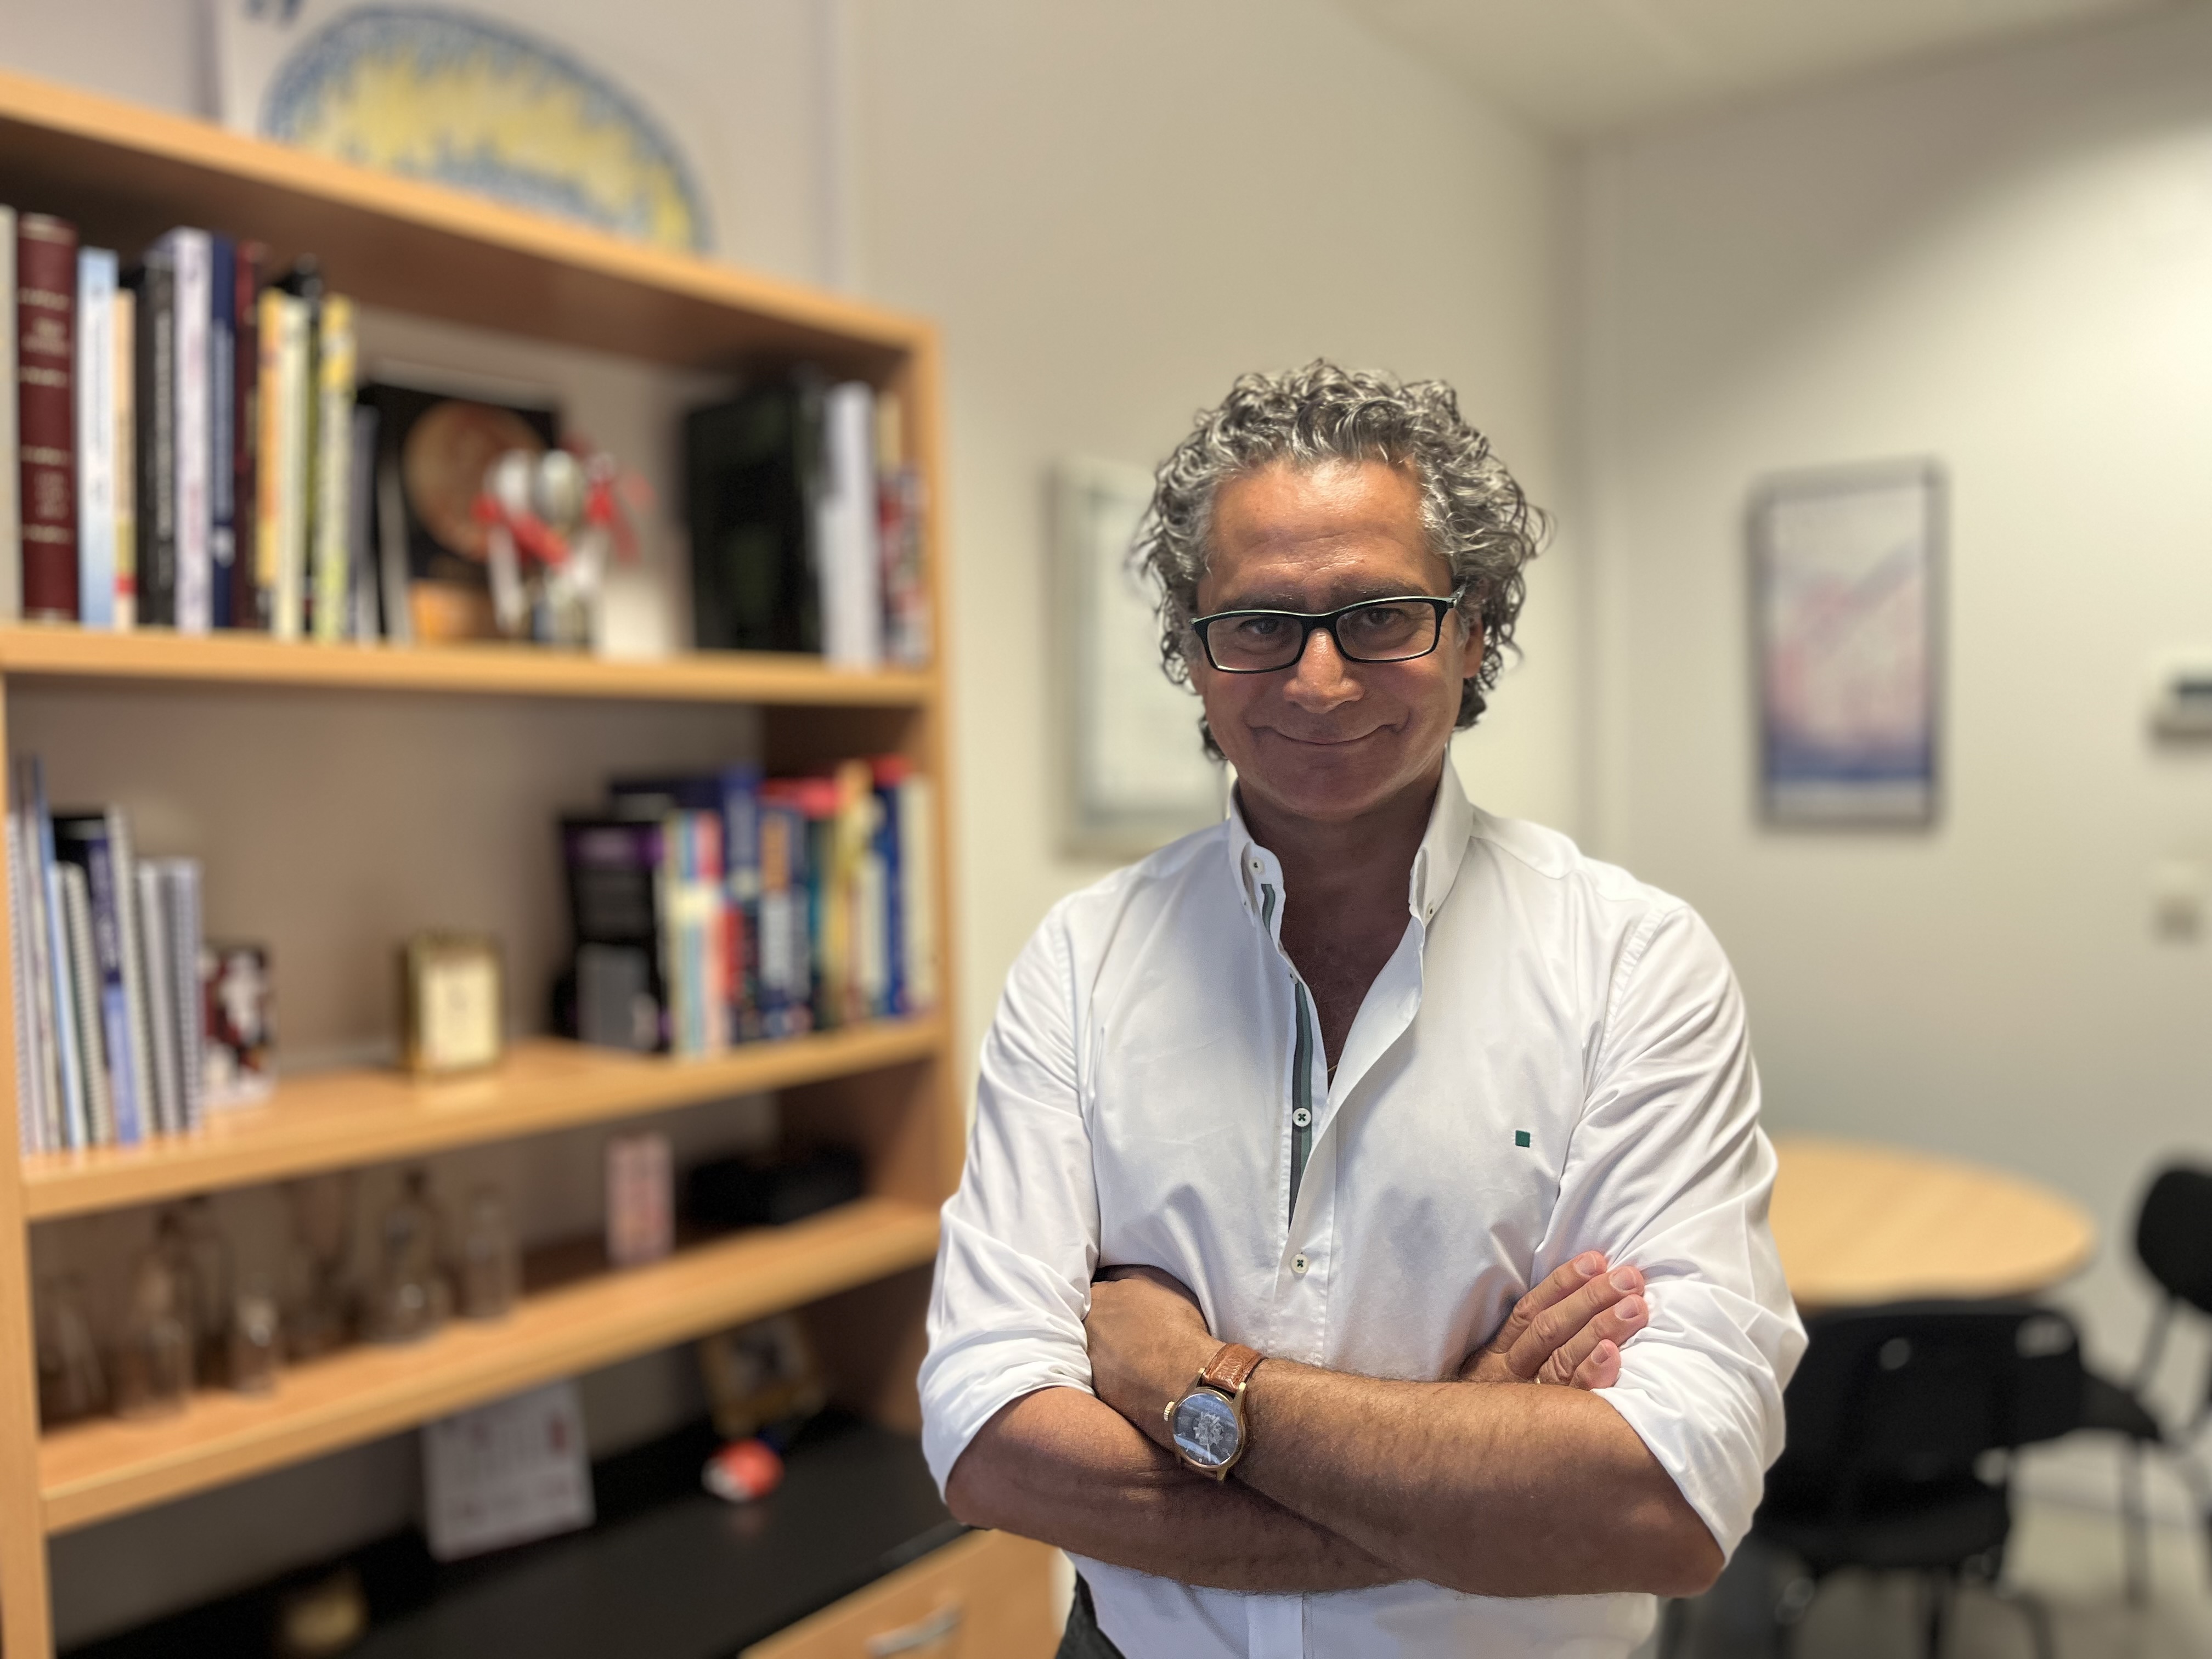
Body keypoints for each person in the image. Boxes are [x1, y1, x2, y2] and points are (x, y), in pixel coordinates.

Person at [918, 363, 1805, 1658]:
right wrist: (1470, 1459)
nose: (1319, 679)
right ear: (1195, 653)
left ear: (1474, 630)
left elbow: (1663, 1502)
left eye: (1381, 615)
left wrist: (1188, 1381)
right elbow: (990, 1444)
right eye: (1259, 623)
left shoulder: (1633, 964)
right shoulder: (1082, 962)